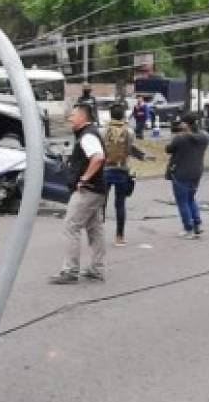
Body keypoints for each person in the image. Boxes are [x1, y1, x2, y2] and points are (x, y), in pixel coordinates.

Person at [50, 104, 108, 284]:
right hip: (97, 189)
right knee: (95, 229)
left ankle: (70, 271)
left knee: (71, 226)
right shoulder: (89, 133)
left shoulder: (87, 136)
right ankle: (96, 268)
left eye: (73, 115)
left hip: (87, 190)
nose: (69, 118)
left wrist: (83, 179)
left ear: (83, 117)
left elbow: (98, 157)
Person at [101, 104, 148, 247]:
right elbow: (130, 149)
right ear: (123, 115)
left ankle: (97, 235)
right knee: (120, 204)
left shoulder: (103, 131)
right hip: (122, 170)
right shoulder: (129, 131)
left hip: (106, 169)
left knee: (101, 203)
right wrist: (142, 156)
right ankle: (119, 237)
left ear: (110, 115)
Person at [166, 112, 209, 239]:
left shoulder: (180, 138)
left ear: (186, 124)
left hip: (181, 171)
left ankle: (188, 228)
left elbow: (168, 149)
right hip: (197, 171)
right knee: (191, 198)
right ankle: (197, 224)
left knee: (182, 201)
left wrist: (175, 135)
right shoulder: (204, 136)